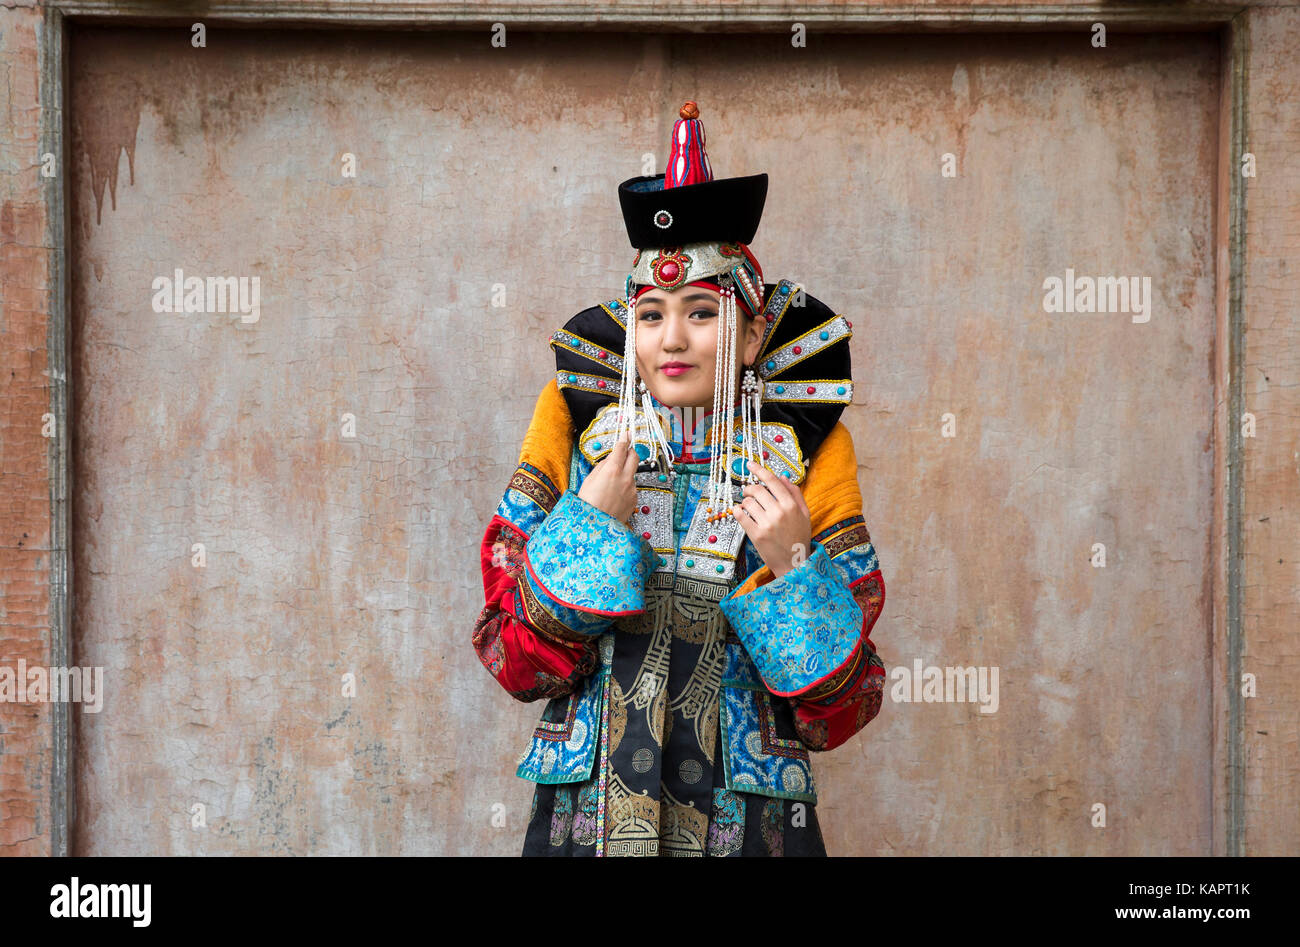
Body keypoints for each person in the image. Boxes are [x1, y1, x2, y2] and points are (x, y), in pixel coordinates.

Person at [472, 102, 886, 856]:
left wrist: (795, 563)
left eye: (702, 311)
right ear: (626, 329)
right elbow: (511, 658)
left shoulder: (807, 456)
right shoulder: (575, 440)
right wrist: (585, 531)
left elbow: (844, 710)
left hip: (748, 827)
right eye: (652, 314)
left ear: (755, 331)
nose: (672, 338)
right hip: (587, 824)